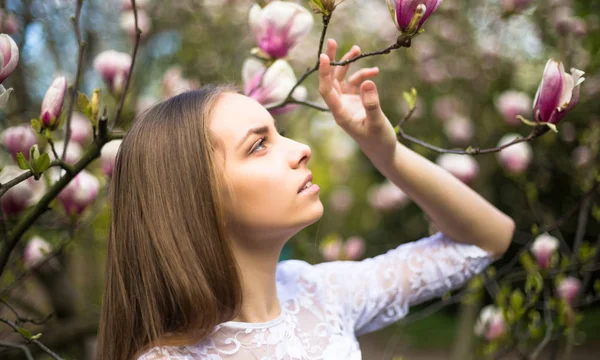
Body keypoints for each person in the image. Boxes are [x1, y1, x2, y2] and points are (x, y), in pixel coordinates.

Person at [96, 39, 515, 360]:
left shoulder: (319, 292)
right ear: (194, 196)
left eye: (277, 133)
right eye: (259, 145)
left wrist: (385, 153)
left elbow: (486, 240)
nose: (300, 148)